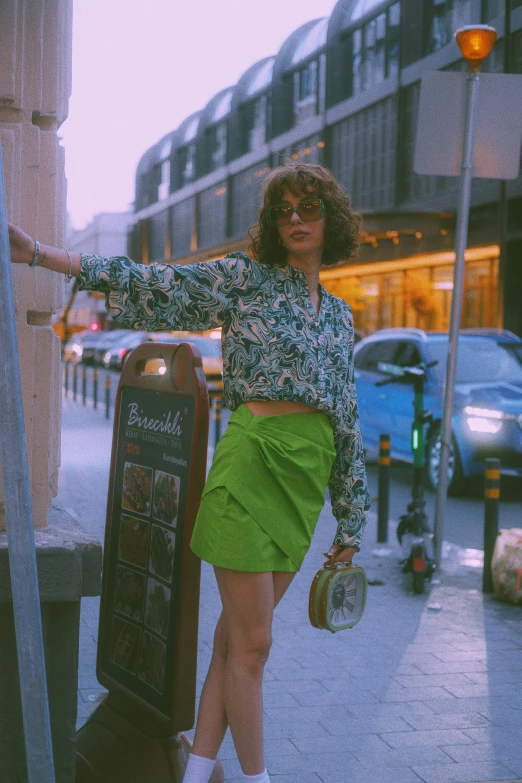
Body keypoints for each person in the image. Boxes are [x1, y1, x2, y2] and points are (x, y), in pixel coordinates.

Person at [9, 162, 371, 783]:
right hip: (249, 470)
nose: (295, 219)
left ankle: (198, 771)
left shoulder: (339, 316)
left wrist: (351, 515)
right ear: (270, 223)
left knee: (236, 644)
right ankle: (257, 777)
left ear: (330, 217)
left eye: (308, 207)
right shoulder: (246, 280)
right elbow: (157, 282)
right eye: (283, 210)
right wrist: (45, 255)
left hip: (304, 485)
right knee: (255, 647)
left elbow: (345, 417)